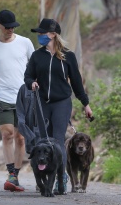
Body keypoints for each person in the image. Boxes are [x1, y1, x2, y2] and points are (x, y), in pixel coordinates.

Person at [24, 18, 93, 194]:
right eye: (39, 33)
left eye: (43, 33)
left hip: (62, 102)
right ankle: (45, 177)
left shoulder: (68, 56)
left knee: (58, 140)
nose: (40, 36)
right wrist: (31, 83)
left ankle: (60, 177)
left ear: (53, 34)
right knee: (43, 140)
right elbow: (28, 76)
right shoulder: (37, 55)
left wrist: (86, 104)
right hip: (42, 102)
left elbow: (77, 82)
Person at [0, 10, 34, 192]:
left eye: (13, 27)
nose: (10, 29)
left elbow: (35, 67)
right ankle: (11, 174)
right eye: (7, 27)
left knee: (20, 137)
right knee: (7, 134)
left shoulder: (25, 43)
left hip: (24, 97)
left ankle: (16, 176)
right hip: (3, 97)